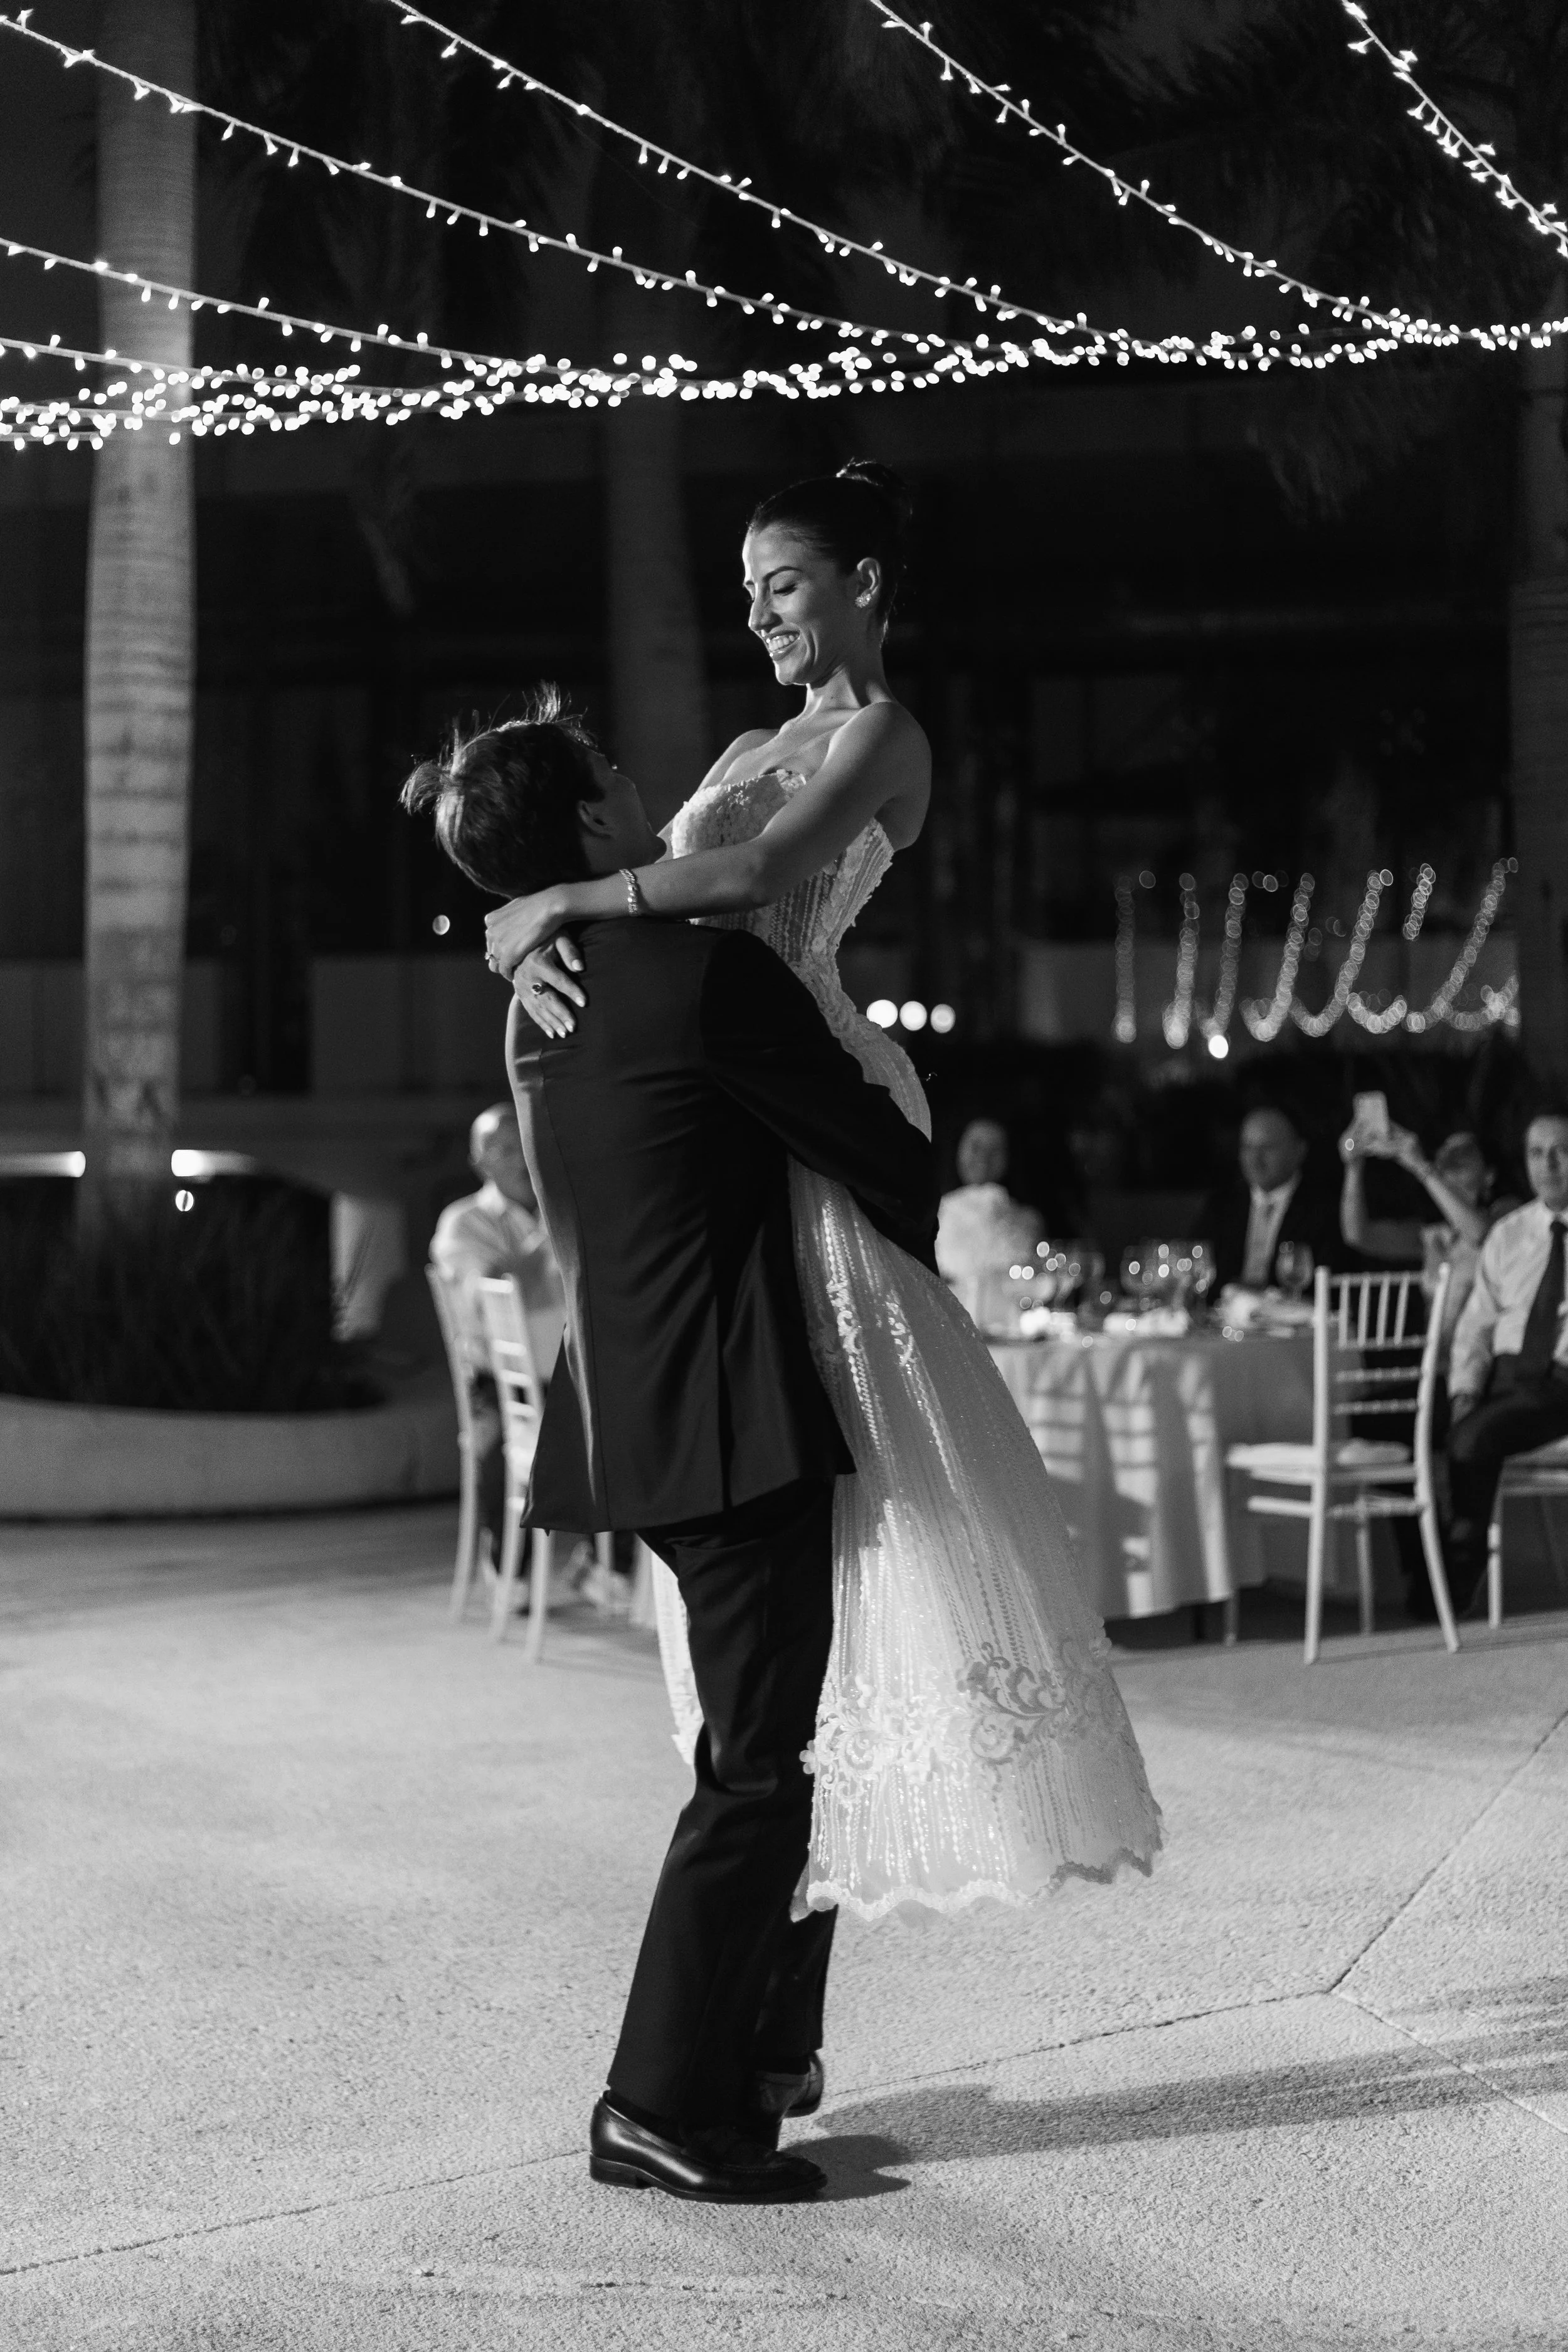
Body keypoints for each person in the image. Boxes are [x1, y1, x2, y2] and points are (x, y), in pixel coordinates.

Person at [481, 460, 1162, 1934]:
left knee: (869, 1471)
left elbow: (758, 871)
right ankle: (774, 1934)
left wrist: (566, 904)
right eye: (746, 594)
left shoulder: (885, 737)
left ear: (863, 583)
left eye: (782, 584)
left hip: (817, 1079)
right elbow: (659, 904)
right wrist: (530, 950)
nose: (762, 616)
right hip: (725, 1077)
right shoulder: (742, 735)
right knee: (778, 1469)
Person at [404, 699, 940, 2203]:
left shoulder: (541, 999)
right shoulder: (711, 978)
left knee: (770, 1751)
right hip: (732, 1415)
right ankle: (654, 2103)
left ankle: (751, 2074)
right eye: (617, 778)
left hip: (635, 1408)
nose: (649, 783)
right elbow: (888, 1156)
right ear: (585, 827)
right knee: (756, 1773)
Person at [429, 1103, 568, 1576]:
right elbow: (494, 1293)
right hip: (500, 1383)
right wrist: (552, 1238)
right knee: (503, 1447)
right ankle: (509, 1566)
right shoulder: (464, 1222)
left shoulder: (566, 1207)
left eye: (525, 1142)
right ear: (480, 1162)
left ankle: (613, 1567)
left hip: (577, 1374)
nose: (520, 1158)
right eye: (505, 1149)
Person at [1441, 1110, 1568, 1613]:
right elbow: (1476, 1324)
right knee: (1391, 1418)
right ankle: (1420, 1565)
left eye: (1561, 1150)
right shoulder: (1510, 1233)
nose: (1549, 1165)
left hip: (1559, 1382)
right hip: (1502, 1377)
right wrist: (1464, 1389)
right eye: (1536, 1153)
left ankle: (1459, 1567)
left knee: (1473, 1435)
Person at [1338, 1123, 1517, 1349]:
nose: (1450, 1158)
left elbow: (1481, 1235)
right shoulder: (1436, 1235)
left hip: (1489, 1361)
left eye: (1464, 1152)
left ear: (1490, 1174)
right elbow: (1358, 1234)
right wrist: (1353, 1168)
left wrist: (1421, 1166)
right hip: (1438, 1366)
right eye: (1444, 1151)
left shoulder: (1510, 1216)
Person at [1198, 1104, 1347, 1292]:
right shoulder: (1221, 1205)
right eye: (1247, 1147)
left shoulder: (1325, 1209)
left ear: (1299, 1150)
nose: (1255, 1159)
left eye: (1267, 1148)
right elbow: (1197, 1268)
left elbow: (1327, 1282)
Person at [936, 1118, 1046, 1323]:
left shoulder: (1029, 1220)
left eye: (995, 1149)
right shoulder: (935, 1212)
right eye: (975, 1147)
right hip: (949, 1328)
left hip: (1011, 1336)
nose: (984, 1158)